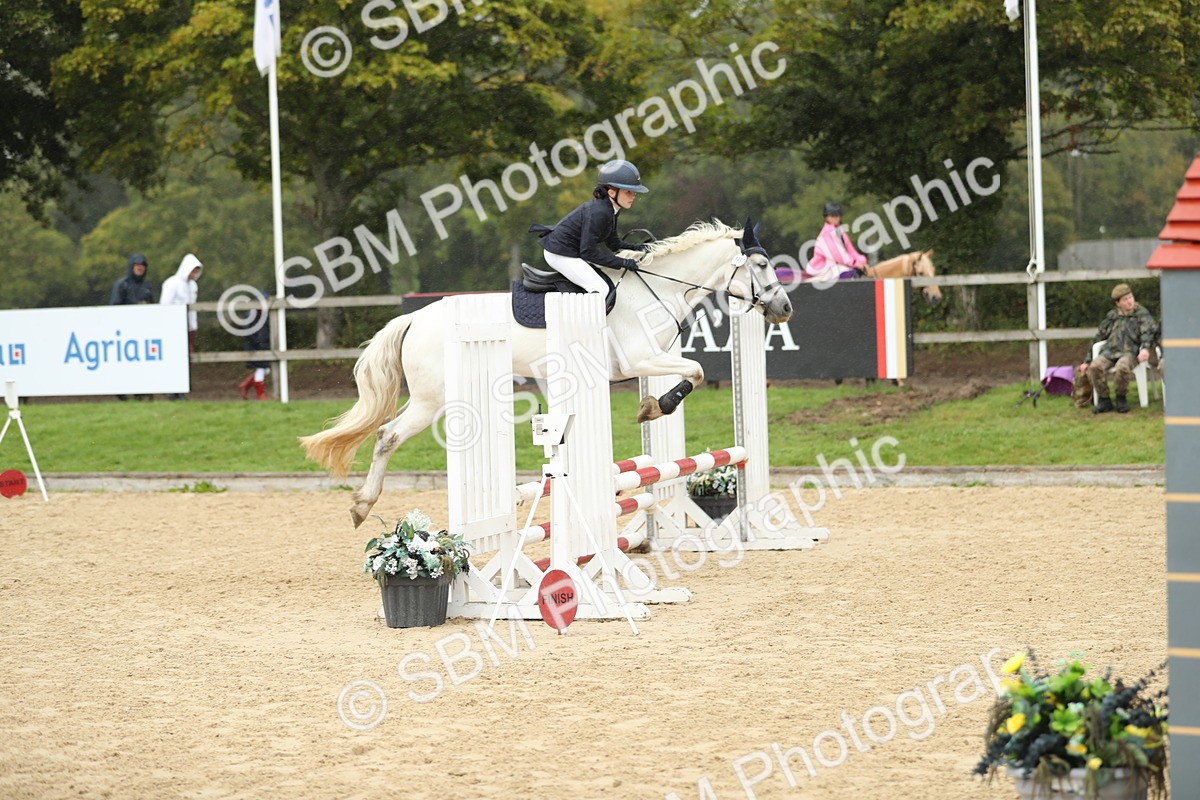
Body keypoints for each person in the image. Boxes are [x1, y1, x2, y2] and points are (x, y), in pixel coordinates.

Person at [538, 159, 652, 297]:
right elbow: (588, 253)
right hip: (559, 254)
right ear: (611, 192)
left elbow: (613, 243)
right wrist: (623, 262)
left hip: (571, 251)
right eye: (629, 192)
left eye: (634, 192)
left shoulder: (611, 209)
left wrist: (640, 248)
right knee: (600, 288)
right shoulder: (599, 212)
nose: (633, 196)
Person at [1079, 283, 1157, 414]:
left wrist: (1145, 348)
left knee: (1122, 367)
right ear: (1118, 303)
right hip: (1110, 352)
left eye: (1130, 297)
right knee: (1095, 366)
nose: (1129, 301)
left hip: (1131, 353)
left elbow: (1148, 333)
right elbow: (1098, 337)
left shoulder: (1141, 314)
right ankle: (1104, 400)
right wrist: (1087, 361)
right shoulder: (1112, 317)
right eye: (1125, 299)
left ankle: (1121, 398)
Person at [110, 254, 155, 400]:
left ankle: (140, 391)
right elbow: (115, 307)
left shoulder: (147, 285)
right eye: (137, 265)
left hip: (143, 331)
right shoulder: (122, 284)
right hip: (125, 331)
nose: (140, 268)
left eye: (142, 266)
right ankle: (121, 391)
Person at [160, 253, 203, 400]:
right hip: (173, 328)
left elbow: (193, 310)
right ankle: (172, 390)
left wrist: (193, 328)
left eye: (197, 271)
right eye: (193, 270)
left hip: (187, 328)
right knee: (174, 358)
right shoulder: (171, 284)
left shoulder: (193, 286)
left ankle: (180, 390)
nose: (195, 274)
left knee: (184, 359)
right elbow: (165, 306)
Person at [804, 202, 868, 284]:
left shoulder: (840, 232)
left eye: (837, 215)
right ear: (826, 217)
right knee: (847, 274)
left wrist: (862, 260)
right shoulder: (825, 234)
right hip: (823, 268)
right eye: (832, 216)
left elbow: (850, 250)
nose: (835, 218)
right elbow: (839, 255)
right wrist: (856, 264)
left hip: (836, 265)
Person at [237, 301, 272, 401]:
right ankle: (261, 395)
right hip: (254, 347)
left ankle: (245, 385)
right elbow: (248, 333)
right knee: (261, 369)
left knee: (266, 369)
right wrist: (258, 343)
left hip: (262, 346)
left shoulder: (264, 315)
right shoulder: (252, 315)